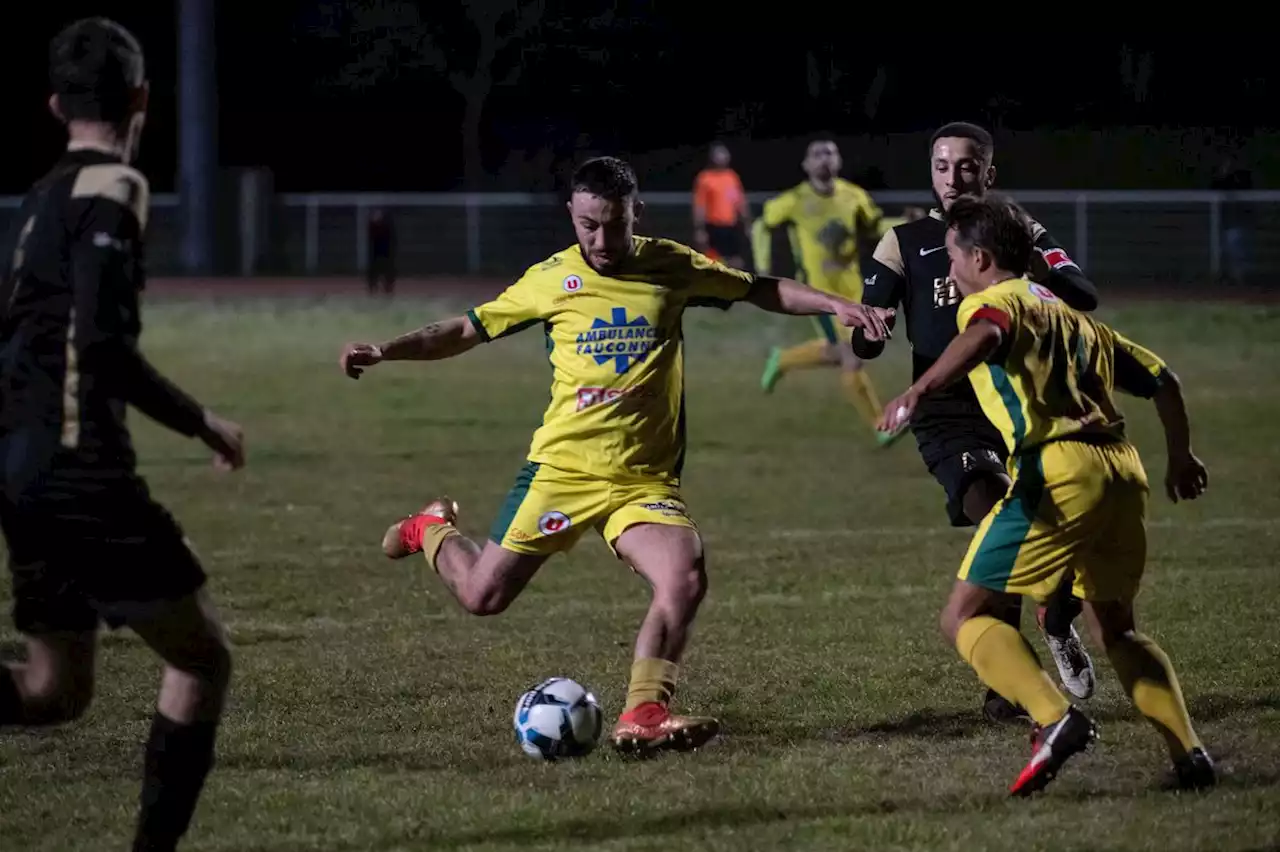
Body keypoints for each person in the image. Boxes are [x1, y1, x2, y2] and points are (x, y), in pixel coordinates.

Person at [339, 156, 893, 756]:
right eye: (587, 225)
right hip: (562, 472)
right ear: (572, 216)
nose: (600, 240)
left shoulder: (671, 265)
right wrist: (386, 349)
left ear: (636, 213)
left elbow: (759, 288)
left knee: (684, 575)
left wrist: (835, 305)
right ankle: (432, 528)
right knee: (482, 597)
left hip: (642, 482)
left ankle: (644, 713)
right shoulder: (550, 279)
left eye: (613, 224)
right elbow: (465, 329)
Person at [0, 18, 246, 852]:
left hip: (20, 467)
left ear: (53, 105)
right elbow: (102, 347)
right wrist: (200, 420)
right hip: (81, 471)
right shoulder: (118, 187)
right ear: (143, 99)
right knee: (203, 658)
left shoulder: (37, 201)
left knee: (50, 691)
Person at [878, 193, 1216, 796]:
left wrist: (919, 390)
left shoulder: (990, 302)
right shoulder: (1074, 315)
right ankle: (1190, 754)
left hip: (1054, 473)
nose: (949, 270)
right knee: (1120, 630)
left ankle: (1056, 718)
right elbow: (1164, 380)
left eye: (953, 256)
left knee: (962, 616)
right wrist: (1182, 455)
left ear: (979, 257)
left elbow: (985, 335)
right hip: (1121, 472)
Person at [854, 122, 1099, 722]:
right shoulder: (904, 240)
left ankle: (1010, 681)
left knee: (1011, 528)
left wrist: (1034, 263)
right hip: (948, 410)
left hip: (1016, 401)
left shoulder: (1015, 231)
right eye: (941, 166)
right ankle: (1047, 615)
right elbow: (867, 340)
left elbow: (1081, 291)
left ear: (988, 172)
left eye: (967, 166)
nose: (952, 177)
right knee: (995, 512)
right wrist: (869, 324)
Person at [753, 139, 904, 445]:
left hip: (853, 289)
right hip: (816, 294)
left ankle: (783, 360)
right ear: (806, 165)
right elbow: (761, 225)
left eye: (831, 152)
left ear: (838, 161)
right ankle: (880, 426)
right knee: (851, 355)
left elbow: (876, 227)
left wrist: (906, 223)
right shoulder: (794, 200)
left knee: (842, 352)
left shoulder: (854, 196)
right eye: (817, 154)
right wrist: (761, 266)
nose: (825, 158)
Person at [692, 142, 750, 268]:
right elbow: (700, 206)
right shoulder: (704, 178)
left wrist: (746, 224)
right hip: (714, 227)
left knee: (736, 261)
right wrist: (699, 229)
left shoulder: (732, 177)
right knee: (714, 262)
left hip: (731, 227)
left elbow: (740, 202)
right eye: (719, 154)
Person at [366, 208, 397, 295]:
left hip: (386, 252)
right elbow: (371, 239)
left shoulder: (388, 226)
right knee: (373, 272)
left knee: (389, 271)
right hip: (375, 252)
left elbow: (392, 240)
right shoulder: (372, 226)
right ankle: (372, 289)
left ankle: (388, 289)